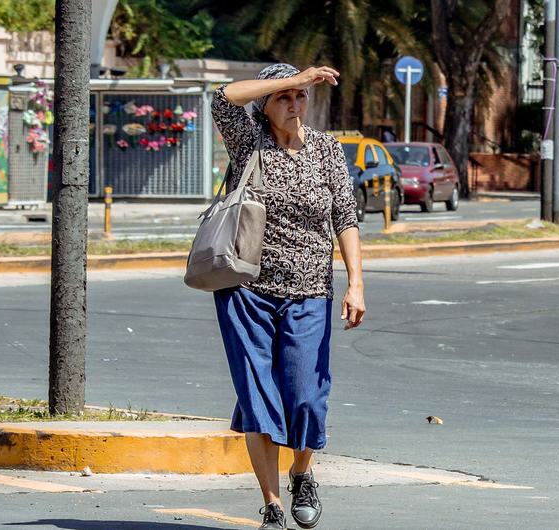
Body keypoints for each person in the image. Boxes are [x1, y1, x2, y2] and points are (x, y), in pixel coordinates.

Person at [211, 63, 365, 530]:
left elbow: (345, 216)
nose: (294, 103)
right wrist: (286, 78)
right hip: (245, 289)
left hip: (310, 292)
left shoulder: (326, 150)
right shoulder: (248, 141)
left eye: (300, 95)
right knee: (258, 397)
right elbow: (223, 97)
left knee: (305, 398)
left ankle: (302, 472)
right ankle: (272, 505)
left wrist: (356, 281)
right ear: (267, 102)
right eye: (284, 96)